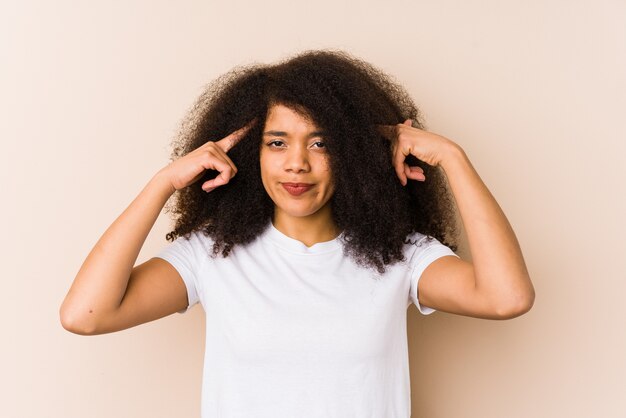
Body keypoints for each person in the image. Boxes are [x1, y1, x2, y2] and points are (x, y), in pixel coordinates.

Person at [60, 50, 534, 417]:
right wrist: (163, 183)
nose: (297, 163)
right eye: (277, 142)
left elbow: (506, 298)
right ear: (251, 154)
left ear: (351, 152)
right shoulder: (211, 255)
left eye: (321, 142)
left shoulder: (399, 255)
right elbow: (85, 314)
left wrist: (453, 158)